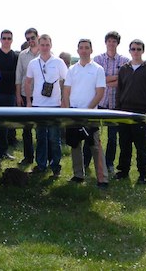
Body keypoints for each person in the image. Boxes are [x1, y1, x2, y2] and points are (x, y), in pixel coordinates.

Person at [62, 39, 108, 188]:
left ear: (91, 50)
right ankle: (78, 175)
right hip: (74, 113)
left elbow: (100, 92)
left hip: (90, 114)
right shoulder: (72, 69)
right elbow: (67, 90)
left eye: (86, 48)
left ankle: (103, 178)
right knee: (75, 145)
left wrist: (88, 110)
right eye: (81, 48)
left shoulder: (98, 69)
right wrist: (68, 110)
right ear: (78, 51)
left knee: (95, 146)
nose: (84, 50)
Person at [83, 31, 129, 173]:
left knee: (112, 137)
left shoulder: (124, 60)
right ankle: (86, 162)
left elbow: (123, 81)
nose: (111, 43)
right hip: (99, 102)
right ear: (105, 43)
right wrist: (113, 79)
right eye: (109, 41)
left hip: (115, 104)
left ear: (117, 43)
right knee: (91, 133)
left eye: (114, 41)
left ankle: (109, 163)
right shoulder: (98, 59)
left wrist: (108, 79)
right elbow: (98, 80)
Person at [114, 39, 146, 184]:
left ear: (143, 51)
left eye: (139, 49)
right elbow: (119, 91)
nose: (136, 52)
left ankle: (143, 174)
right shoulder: (124, 69)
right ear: (129, 51)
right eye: (133, 49)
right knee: (124, 144)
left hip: (140, 113)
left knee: (141, 146)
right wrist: (118, 110)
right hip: (124, 112)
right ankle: (123, 171)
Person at [25, 34, 67, 177]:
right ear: (38, 45)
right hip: (38, 105)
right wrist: (29, 102)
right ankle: (41, 165)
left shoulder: (59, 62)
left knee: (55, 138)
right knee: (41, 137)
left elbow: (66, 81)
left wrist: (63, 101)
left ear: (51, 45)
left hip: (54, 105)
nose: (44, 47)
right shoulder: (33, 63)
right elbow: (28, 82)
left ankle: (56, 166)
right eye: (42, 45)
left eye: (47, 45)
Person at [0, 30, 18, 160]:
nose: (6, 40)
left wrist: (3, 73)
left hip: (10, 93)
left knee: (5, 126)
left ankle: (3, 152)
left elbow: (16, 75)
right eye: (4, 38)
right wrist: (8, 73)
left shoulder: (16, 56)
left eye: (9, 38)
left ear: (12, 40)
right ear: (0, 40)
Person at [15, 28, 39, 165]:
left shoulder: (46, 53)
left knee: (42, 130)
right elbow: (18, 76)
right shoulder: (22, 56)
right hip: (25, 95)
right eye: (28, 39)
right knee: (26, 130)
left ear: (38, 36)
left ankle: (43, 159)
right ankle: (28, 157)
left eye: (32, 38)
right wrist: (18, 95)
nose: (30, 41)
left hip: (42, 97)